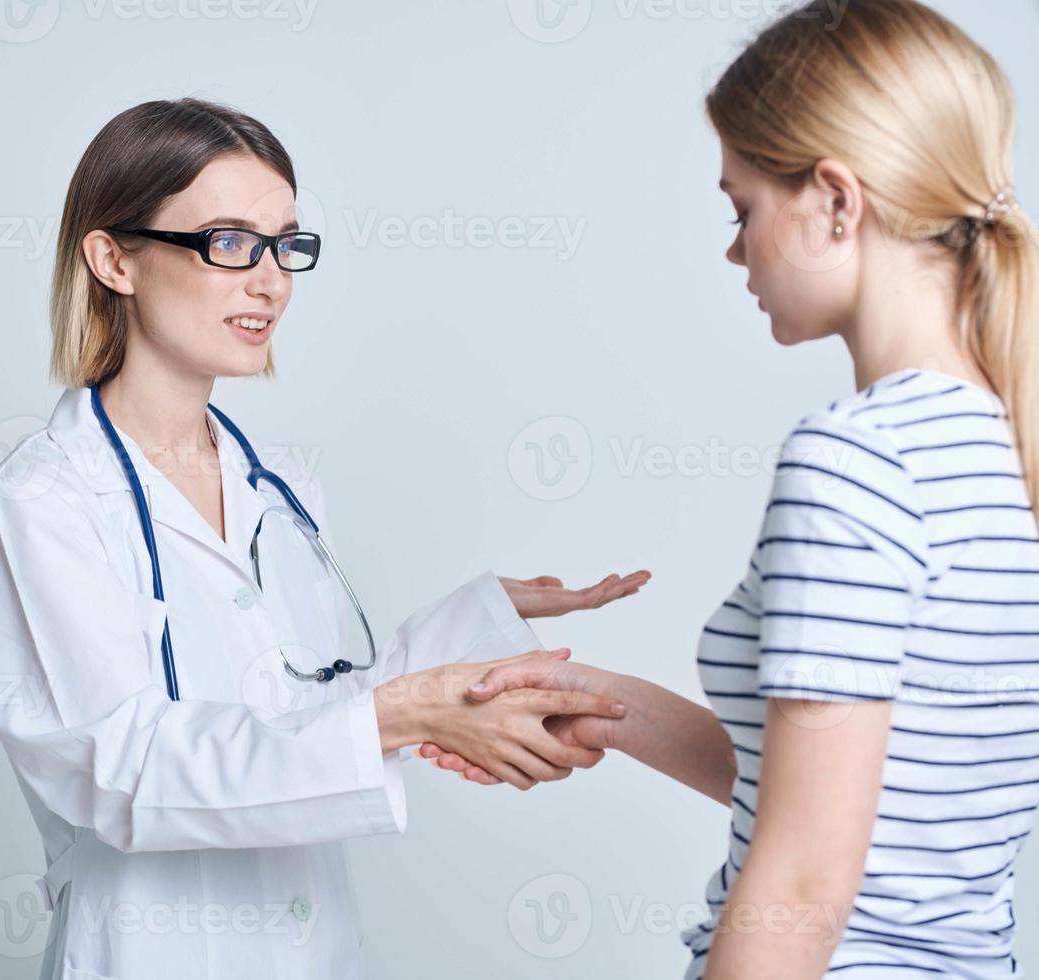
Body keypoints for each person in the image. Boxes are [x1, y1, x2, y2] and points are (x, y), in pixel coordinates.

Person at [0, 97, 649, 980]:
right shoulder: (38, 504)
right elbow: (116, 776)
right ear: (113, 257)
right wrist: (398, 713)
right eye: (228, 241)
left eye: (285, 244)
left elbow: (299, 713)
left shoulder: (278, 486)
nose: (270, 280)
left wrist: (474, 635)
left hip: (312, 946)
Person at [421, 1, 1039, 976]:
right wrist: (603, 697)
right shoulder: (1005, 451)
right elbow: (861, 803)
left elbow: (801, 879)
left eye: (741, 206)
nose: (732, 249)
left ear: (836, 200)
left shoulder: (855, 463)